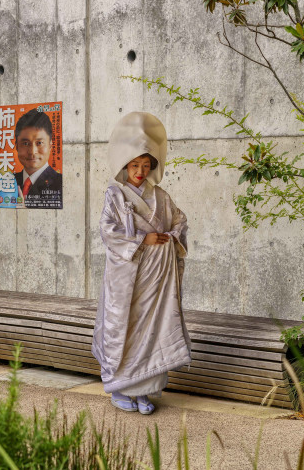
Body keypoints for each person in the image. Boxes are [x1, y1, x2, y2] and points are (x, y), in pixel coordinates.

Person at [91, 111, 191, 415]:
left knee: (155, 327)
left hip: (156, 279)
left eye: (145, 166)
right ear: (125, 164)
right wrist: (142, 241)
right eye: (135, 165)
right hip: (127, 277)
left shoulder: (161, 196)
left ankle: (146, 390)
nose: (139, 171)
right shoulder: (115, 195)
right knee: (128, 327)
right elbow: (107, 230)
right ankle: (122, 389)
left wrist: (170, 238)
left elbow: (180, 222)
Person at [13, 108, 62, 208]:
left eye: (39, 143)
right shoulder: (8, 180)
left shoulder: (61, 183)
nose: (32, 151)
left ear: (50, 145)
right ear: (17, 146)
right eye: (25, 143)